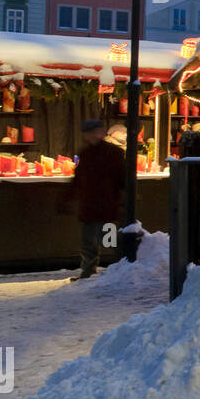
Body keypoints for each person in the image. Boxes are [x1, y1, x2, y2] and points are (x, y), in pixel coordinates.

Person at [68, 118, 126, 281]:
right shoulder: (87, 154)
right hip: (91, 205)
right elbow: (78, 179)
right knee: (89, 241)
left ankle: (122, 268)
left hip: (106, 204)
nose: (92, 136)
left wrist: (123, 198)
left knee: (110, 240)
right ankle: (88, 270)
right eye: (89, 133)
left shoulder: (113, 153)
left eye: (95, 132)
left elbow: (122, 178)